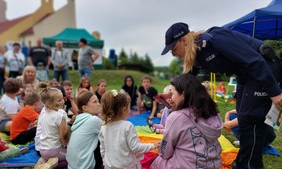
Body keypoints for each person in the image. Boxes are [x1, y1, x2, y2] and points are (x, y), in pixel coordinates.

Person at [161, 22, 282, 169]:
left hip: (263, 67)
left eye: (173, 49)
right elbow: (187, 82)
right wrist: (171, 94)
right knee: (243, 118)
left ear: (184, 40)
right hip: (245, 75)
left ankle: (250, 165)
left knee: (252, 118)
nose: (174, 55)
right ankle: (244, 162)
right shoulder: (197, 55)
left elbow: (254, 60)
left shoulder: (215, 38)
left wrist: (274, 92)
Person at [150, 74, 222, 168]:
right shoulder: (212, 112)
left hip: (187, 166)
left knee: (156, 162)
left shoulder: (176, 117)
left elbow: (165, 153)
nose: (169, 98)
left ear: (183, 94)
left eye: (171, 94)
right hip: (213, 164)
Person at [99, 90, 160, 169]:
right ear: (124, 109)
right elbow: (135, 147)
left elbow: (103, 149)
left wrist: (106, 161)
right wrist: (153, 145)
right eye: (129, 107)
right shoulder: (127, 126)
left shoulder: (104, 127)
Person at [66, 91, 103, 169]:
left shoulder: (78, 119)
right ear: (84, 107)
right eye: (95, 102)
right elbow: (111, 132)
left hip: (72, 166)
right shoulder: (93, 120)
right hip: (86, 166)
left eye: (98, 101)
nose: (99, 104)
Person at [36, 87, 70, 168]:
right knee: (72, 158)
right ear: (49, 104)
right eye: (59, 101)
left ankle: (44, 160)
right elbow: (63, 139)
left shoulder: (43, 115)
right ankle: (49, 165)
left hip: (42, 150)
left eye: (62, 99)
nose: (62, 102)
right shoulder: (59, 116)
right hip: (55, 150)